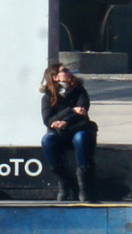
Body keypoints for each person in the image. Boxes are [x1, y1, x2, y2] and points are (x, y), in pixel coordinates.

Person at [39, 64, 96, 202]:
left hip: (78, 128)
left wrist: (64, 120)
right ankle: (63, 181)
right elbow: (48, 120)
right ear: (55, 77)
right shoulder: (48, 97)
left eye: (68, 70)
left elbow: (82, 112)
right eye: (64, 70)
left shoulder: (79, 91)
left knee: (81, 138)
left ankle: (83, 184)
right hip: (59, 132)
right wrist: (71, 112)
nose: (68, 72)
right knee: (47, 140)